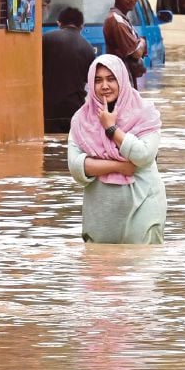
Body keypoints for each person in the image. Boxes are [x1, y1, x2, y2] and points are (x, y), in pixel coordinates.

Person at [67, 55, 166, 244]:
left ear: (122, 79)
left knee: (141, 267)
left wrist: (111, 129)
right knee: (99, 268)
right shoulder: (81, 120)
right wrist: (118, 166)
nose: (105, 85)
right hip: (101, 215)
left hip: (143, 204)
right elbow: (76, 166)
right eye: (98, 80)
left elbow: (144, 156)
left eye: (111, 79)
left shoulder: (145, 114)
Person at [42, 7, 97, 133]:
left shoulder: (45, 40)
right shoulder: (88, 48)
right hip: (74, 110)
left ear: (59, 23)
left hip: (47, 110)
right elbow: (91, 83)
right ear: (82, 26)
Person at [103, 0, 147, 88]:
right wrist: (142, 41)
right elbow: (136, 53)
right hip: (121, 84)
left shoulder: (122, 19)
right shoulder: (117, 21)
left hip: (125, 82)